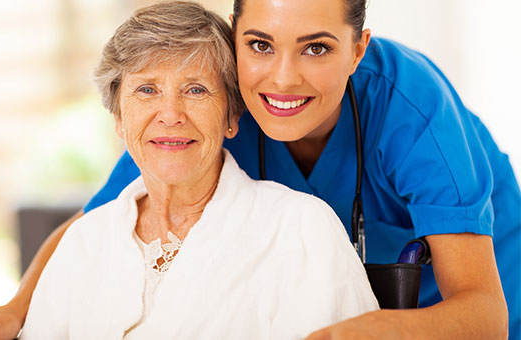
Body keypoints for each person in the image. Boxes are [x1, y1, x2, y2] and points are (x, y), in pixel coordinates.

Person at [0, 0, 518, 339]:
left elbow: (484, 313)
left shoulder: (410, 112)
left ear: (358, 49)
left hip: (473, 297)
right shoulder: (222, 98)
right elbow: (93, 223)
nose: (283, 78)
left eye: (316, 47)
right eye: (260, 44)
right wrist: (17, 309)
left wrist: (342, 334)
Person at [22, 2, 377, 339]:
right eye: (147, 90)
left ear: (231, 117)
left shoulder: (302, 228)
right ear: (118, 117)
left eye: (196, 90)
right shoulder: (83, 242)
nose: (171, 114)